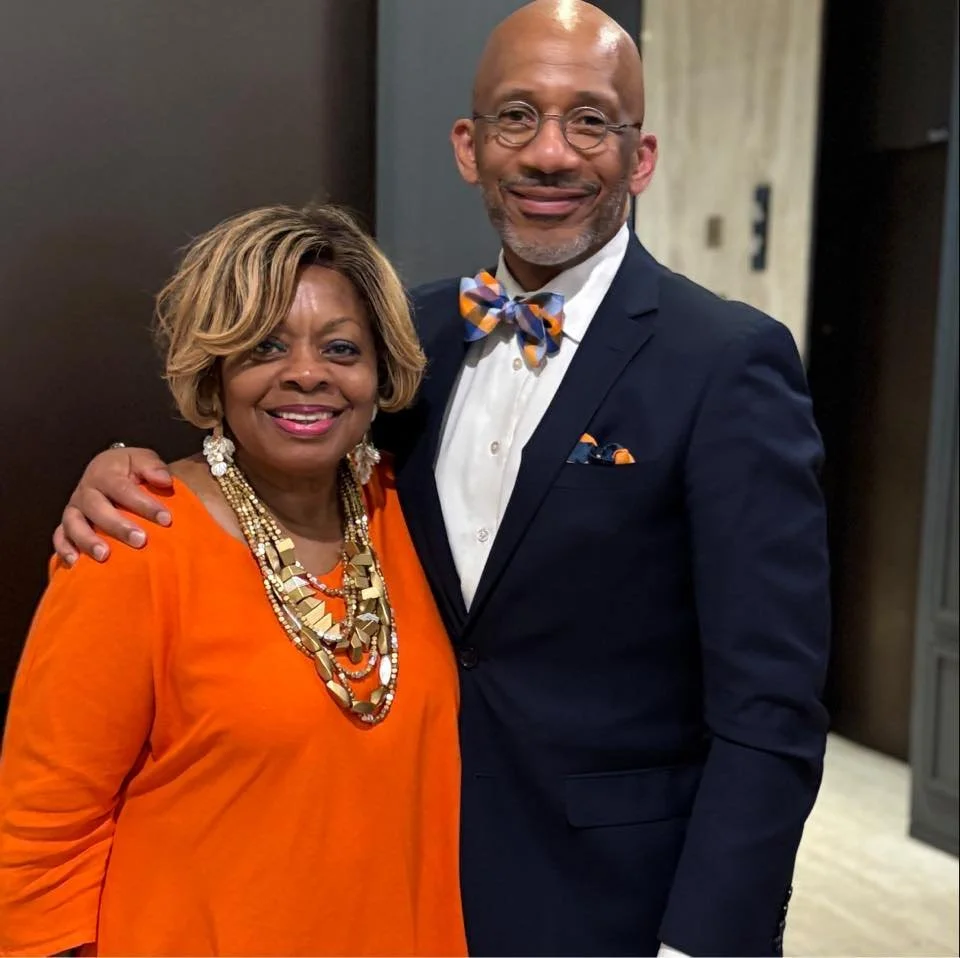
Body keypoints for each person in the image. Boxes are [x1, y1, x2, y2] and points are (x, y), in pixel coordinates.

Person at [48, 1, 831, 955]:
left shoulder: (727, 360)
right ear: (470, 146)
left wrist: (706, 940)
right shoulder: (402, 339)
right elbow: (284, 445)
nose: (551, 152)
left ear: (642, 156)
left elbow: (772, 706)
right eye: (517, 117)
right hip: (400, 884)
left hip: (618, 905)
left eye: (590, 119)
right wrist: (120, 468)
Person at [0, 204, 467, 957]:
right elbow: (39, 839)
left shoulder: (408, 514)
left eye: (341, 348)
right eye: (265, 346)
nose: (307, 374)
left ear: (381, 372)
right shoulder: (134, 539)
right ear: (214, 370)